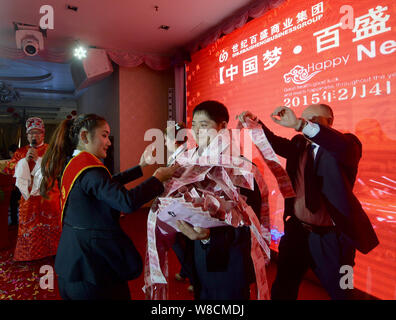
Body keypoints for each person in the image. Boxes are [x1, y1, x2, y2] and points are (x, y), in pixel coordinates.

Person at [238, 104, 379, 300]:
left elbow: (341, 146)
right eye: (303, 119)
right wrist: (255, 123)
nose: (305, 123)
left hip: (334, 238)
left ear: (330, 122)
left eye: (312, 120)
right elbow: (276, 144)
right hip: (297, 231)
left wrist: (299, 124)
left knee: (343, 291)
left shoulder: (347, 145)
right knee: (284, 286)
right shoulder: (298, 144)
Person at [40, 113, 178, 300]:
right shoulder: (90, 169)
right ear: (84, 136)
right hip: (92, 265)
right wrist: (157, 179)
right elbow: (126, 202)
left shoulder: (73, 163)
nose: (109, 142)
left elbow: (106, 185)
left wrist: (140, 166)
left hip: (73, 257)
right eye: (104, 135)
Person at [176, 100, 262, 300]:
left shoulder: (240, 167)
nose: (196, 131)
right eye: (194, 125)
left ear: (223, 127)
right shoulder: (193, 163)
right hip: (199, 252)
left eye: (204, 125)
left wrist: (209, 236)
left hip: (231, 258)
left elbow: (249, 222)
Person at [3, 117, 61, 261]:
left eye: (37, 133)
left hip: (48, 195)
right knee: (29, 224)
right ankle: (30, 254)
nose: (34, 136)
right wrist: (24, 161)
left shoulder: (51, 150)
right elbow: (9, 169)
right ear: (27, 135)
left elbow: (56, 169)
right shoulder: (21, 152)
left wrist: (37, 161)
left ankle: (53, 251)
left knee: (51, 223)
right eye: (31, 133)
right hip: (29, 197)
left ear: (43, 134)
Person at [164, 122, 194, 292]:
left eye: (166, 138)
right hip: (178, 204)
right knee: (183, 242)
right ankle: (186, 272)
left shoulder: (181, 157)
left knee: (178, 242)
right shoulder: (180, 153)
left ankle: (193, 276)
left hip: (181, 204)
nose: (164, 142)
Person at [7, 144, 21, 226]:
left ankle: (14, 221)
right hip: (20, 187)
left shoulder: (13, 162)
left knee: (13, 204)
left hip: (15, 187)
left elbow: (8, 172)